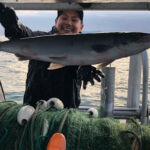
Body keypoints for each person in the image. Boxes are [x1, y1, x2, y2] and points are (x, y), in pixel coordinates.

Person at [0, 3, 104, 108]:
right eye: (64, 18)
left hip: (66, 114)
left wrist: (85, 67)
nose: (68, 23)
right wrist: (13, 26)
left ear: (81, 27)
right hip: (32, 111)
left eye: (74, 20)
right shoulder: (39, 39)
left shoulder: (84, 52)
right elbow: (24, 36)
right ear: (56, 21)